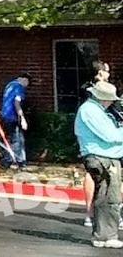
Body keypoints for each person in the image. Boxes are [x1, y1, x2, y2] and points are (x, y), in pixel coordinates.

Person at [76, 80, 123, 248]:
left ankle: (102, 236)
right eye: (110, 99)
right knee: (111, 198)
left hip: (103, 157)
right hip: (103, 158)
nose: (111, 102)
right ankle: (107, 236)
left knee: (104, 197)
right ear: (102, 98)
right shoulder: (91, 111)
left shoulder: (95, 110)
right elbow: (110, 136)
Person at [83, 61, 114, 227]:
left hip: (90, 134)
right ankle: (92, 213)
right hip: (97, 135)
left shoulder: (87, 89)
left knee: (94, 171)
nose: (108, 74)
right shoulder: (94, 91)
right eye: (106, 71)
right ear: (99, 73)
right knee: (95, 171)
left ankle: (92, 214)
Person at [0, 71, 31, 170]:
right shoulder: (19, 87)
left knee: (19, 139)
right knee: (16, 140)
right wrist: (22, 119)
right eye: (28, 84)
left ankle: (22, 161)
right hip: (12, 116)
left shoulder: (10, 85)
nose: (26, 86)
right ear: (25, 80)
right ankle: (6, 161)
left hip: (5, 116)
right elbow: (17, 103)